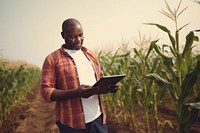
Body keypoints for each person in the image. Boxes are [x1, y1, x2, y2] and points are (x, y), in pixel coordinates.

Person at [40, 18, 118, 133]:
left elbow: (100, 79)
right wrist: (77, 92)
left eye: (81, 35)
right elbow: (46, 91)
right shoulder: (52, 59)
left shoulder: (90, 54)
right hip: (71, 124)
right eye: (73, 37)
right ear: (63, 35)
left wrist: (108, 87)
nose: (78, 40)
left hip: (98, 120)